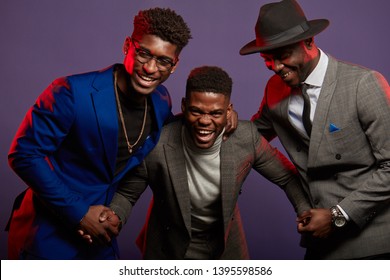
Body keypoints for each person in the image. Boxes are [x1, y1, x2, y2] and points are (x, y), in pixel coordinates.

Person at [6, 7, 193, 260]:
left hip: (101, 238)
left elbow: (172, 134)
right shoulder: (71, 92)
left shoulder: (161, 101)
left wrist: (220, 119)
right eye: (143, 54)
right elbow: (24, 155)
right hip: (46, 237)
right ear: (128, 46)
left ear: (175, 65)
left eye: (163, 60)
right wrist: (80, 213)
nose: (150, 68)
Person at [83, 65, 310, 259]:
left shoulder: (246, 137)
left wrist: (305, 212)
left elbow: (287, 177)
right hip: (166, 252)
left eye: (215, 113)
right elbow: (128, 194)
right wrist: (112, 217)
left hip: (225, 252)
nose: (204, 121)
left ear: (228, 110)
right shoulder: (158, 142)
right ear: (183, 106)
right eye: (196, 111)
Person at [239, 0, 390, 259]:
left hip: (374, 240)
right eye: (268, 59)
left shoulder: (363, 84)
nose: (276, 67)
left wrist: (337, 216)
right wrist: (223, 120)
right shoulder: (274, 90)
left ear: (308, 43)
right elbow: (252, 135)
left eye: (283, 55)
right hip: (320, 241)